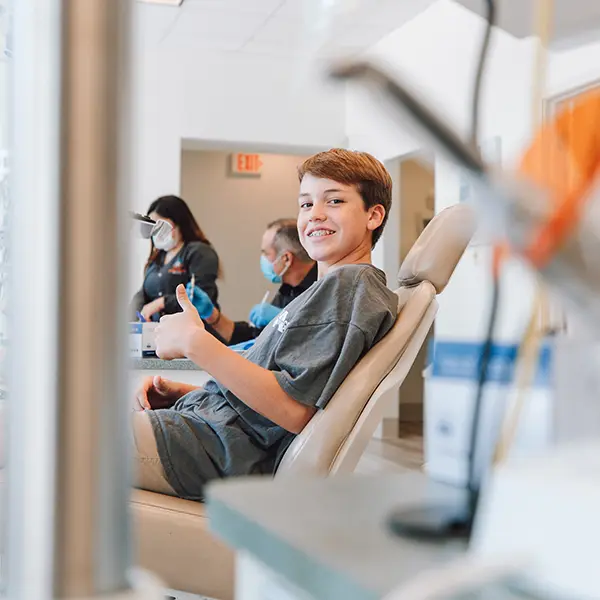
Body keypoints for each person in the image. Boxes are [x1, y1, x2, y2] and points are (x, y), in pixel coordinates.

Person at [132, 149, 398, 501]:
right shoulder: (326, 291)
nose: (315, 214)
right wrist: (188, 392)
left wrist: (197, 343)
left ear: (373, 215)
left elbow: (293, 411)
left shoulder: (349, 288)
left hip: (216, 450)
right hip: (206, 431)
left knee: (61, 432)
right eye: (306, 204)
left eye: (334, 201)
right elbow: (273, 392)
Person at [186, 218, 317, 346]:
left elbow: (316, 341)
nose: (262, 259)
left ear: (286, 259)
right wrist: (211, 315)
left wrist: (284, 319)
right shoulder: (288, 290)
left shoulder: (320, 289)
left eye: (266, 253)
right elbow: (254, 337)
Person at [131, 195, 220, 322]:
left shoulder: (198, 252)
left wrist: (162, 303)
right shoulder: (158, 258)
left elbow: (199, 295)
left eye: (161, 226)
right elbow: (144, 294)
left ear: (179, 224)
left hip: (192, 331)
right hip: (158, 333)